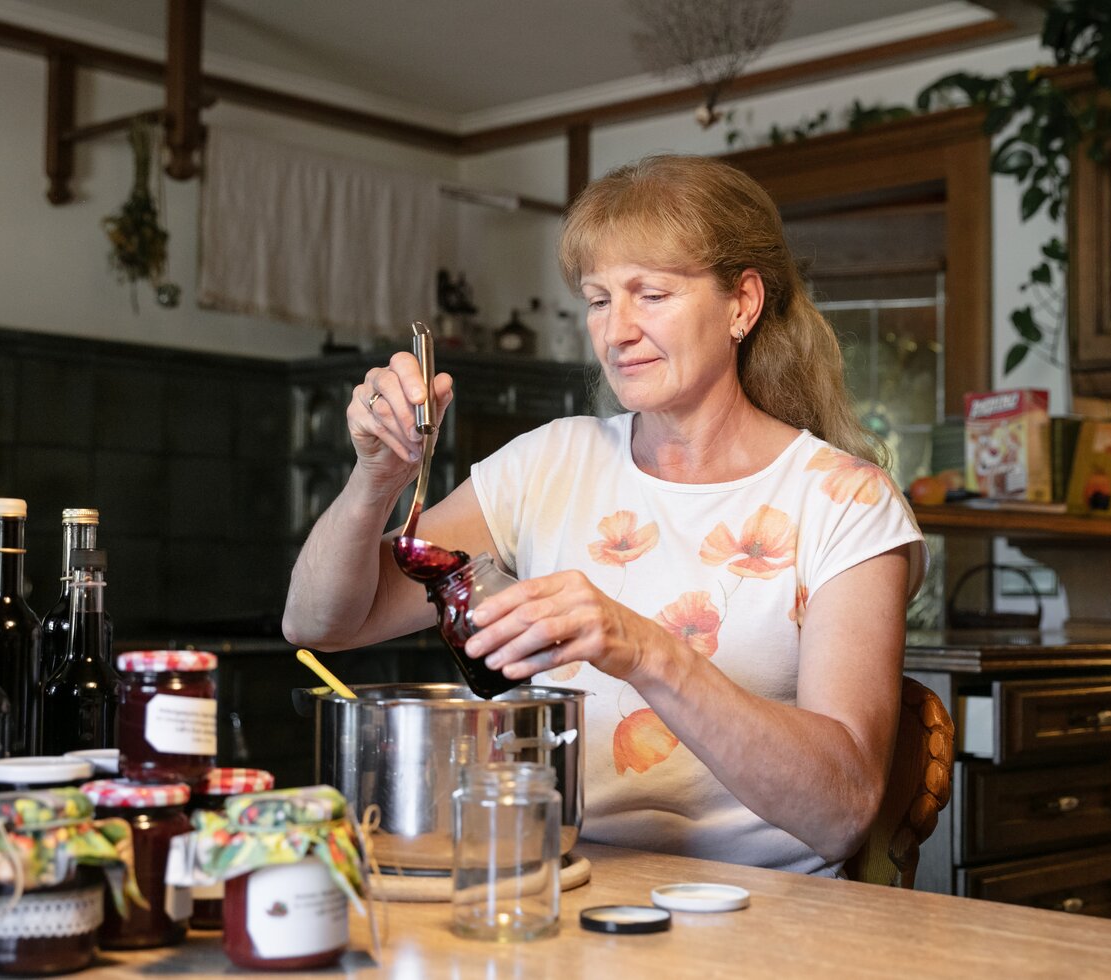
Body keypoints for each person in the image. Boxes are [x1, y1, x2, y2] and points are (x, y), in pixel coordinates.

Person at [283, 153, 927, 877]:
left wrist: (644, 647)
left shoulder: (846, 502)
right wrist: (375, 481)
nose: (615, 331)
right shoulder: (550, 464)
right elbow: (321, 623)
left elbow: (841, 814)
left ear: (742, 303)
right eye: (598, 299)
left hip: (757, 911)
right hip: (553, 881)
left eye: (650, 294)